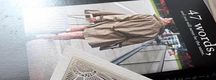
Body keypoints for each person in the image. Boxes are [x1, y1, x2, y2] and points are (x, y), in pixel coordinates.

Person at [39, 10, 174, 50]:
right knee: (82, 34)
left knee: (83, 30)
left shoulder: (149, 17)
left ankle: (51, 34)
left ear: (167, 21)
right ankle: (50, 36)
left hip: (111, 26)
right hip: (113, 36)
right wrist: (116, 45)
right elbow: (132, 41)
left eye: (167, 18)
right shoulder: (154, 33)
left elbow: (123, 17)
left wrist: (100, 18)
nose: (166, 18)